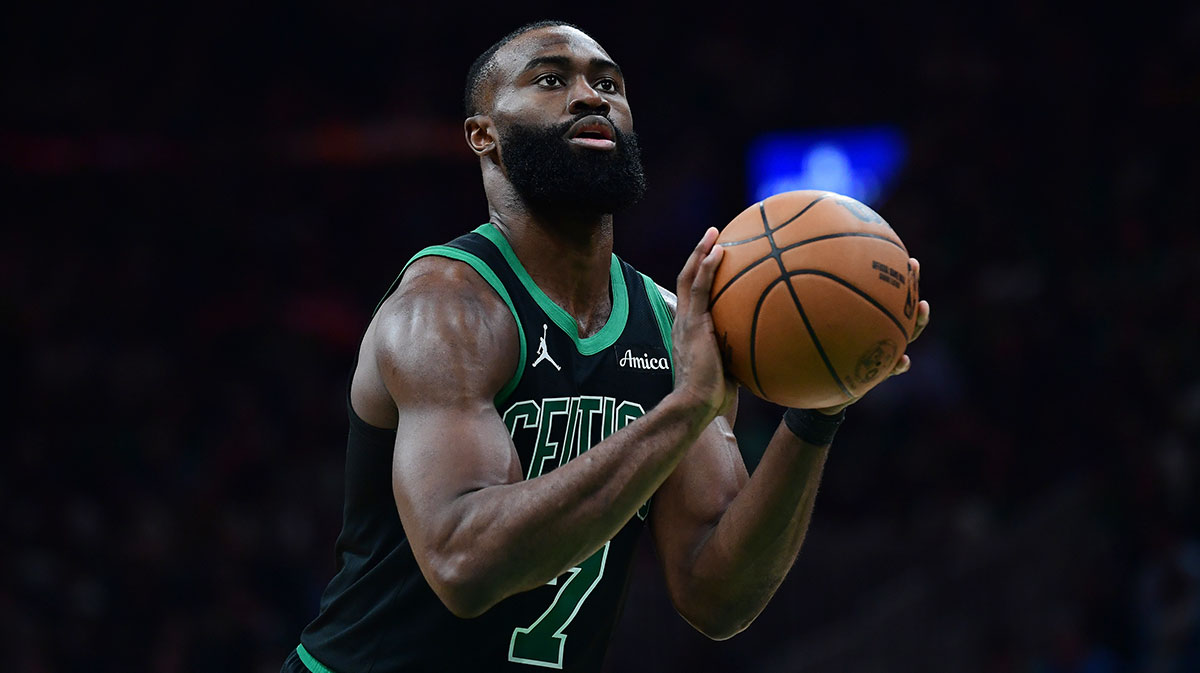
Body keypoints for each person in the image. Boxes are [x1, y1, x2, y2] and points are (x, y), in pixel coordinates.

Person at [283, 20, 930, 673]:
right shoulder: (447, 310)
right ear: (485, 137)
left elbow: (716, 595)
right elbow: (463, 563)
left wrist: (819, 407)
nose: (591, 95)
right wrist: (684, 410)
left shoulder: (671, 324)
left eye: (608, 82)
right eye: (550, 79)